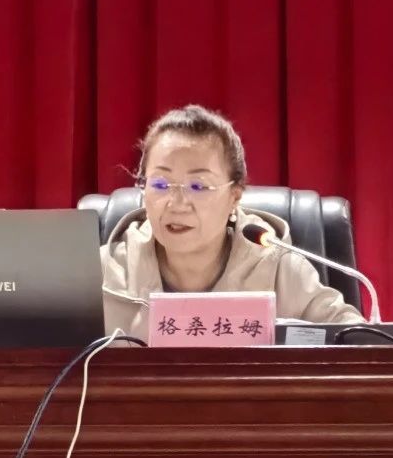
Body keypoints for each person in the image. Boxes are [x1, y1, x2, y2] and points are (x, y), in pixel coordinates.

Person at [100, 104, 365, 338]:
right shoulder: (105, 273)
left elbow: (358, 340)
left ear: (234, 197)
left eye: (198, 186)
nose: (177, 203)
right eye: (160, 184)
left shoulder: (277, 268)